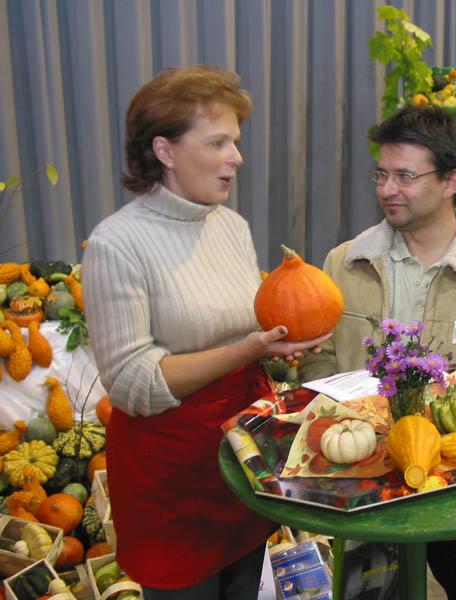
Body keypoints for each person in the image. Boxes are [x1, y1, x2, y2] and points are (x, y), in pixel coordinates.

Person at [83, 65, 330, 599]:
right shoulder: (116, 244)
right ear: (166, 151)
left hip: (239, 456)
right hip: (170, 475)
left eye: (235, 141)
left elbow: (245, 329)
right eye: (218, 142)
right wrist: (248, 348)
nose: (236, 157)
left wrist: (275, 349)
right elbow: (131, 383)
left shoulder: (232, 227)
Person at [300, 105, 456, 599]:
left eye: (405, 176)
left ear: (451, 181)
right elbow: (320, 362)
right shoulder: (344, 263)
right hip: (363, 484)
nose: (388, 189)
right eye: (381, 174)